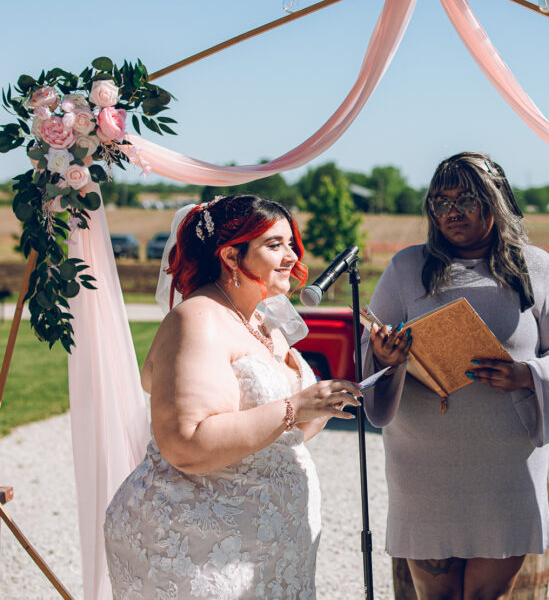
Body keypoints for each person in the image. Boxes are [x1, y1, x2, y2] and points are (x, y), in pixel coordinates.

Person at [104, 195, 360, 599]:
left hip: (273, 547)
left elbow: (284, 432)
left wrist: (326, 402)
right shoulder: (198, 319)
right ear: (230, 255)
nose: (292, 256)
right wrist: (296, 407)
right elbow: (185, 444)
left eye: (291, 243)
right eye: (274, 245)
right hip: (200, 546)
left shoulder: (269, 318)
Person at [362, 152, 549, 599]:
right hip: (423, 468)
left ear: (496, 201)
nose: (450, 212)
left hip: (505, 469)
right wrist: (384, 355)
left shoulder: (536, 267)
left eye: (464, 199)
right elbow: (370, 348)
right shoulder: (406, 268)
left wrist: (528, 375)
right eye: (439, 202)